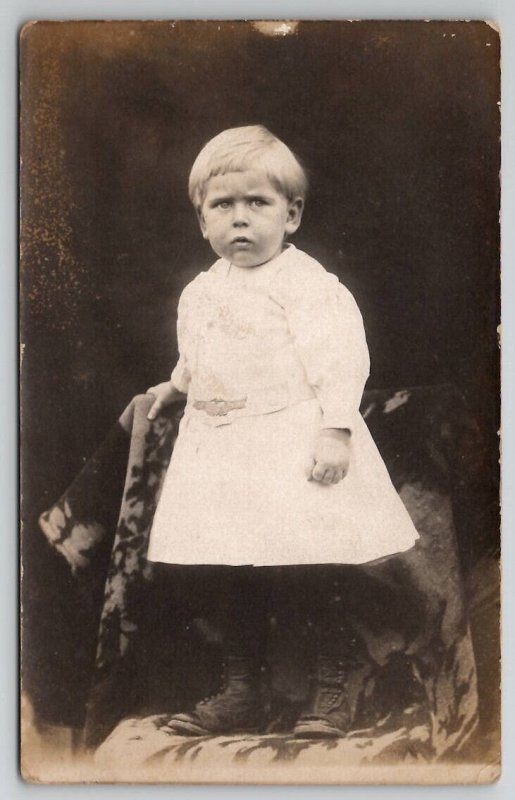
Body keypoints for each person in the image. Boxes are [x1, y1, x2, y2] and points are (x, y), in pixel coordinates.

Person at [144, 125, 419, 738]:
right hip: (224, 452)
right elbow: (199, 352)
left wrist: (336, 430)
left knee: (312, 570)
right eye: (223, 206)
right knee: (232, 570)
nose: (239, 221)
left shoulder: (305, 285)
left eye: (257, 204)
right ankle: (244, 689)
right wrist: (175, 386)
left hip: (288, 443)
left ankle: (332, 688)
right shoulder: (201, 290)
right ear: (202, 222)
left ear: (291, 215)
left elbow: (341, 361)